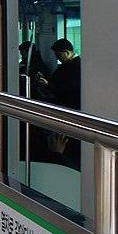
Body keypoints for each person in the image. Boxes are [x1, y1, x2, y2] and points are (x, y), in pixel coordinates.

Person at [35, 38, 82, 168]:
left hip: (69, 106)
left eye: (60, 55)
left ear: (67, 52)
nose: (58, 59)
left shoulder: (76, 66)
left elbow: (69, 87)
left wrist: (49, 85)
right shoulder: (68, 65)